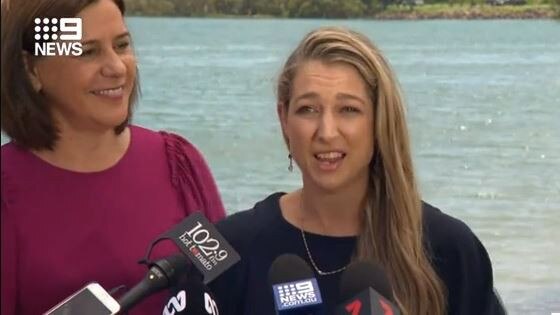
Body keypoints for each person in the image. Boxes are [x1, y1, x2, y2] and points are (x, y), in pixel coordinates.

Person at [209, 27, 506, 315]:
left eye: (348, 109)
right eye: (308, 109)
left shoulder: (447, 248)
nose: (326, 131)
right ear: (284, 118)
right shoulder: (232, 247)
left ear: (379, 120)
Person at [0, 0, 226, 314]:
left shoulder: (178, 164)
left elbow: (227, 288)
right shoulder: (7, 191)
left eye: (121, 45)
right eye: (87, 52)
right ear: (31, 69)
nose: (116, 67)